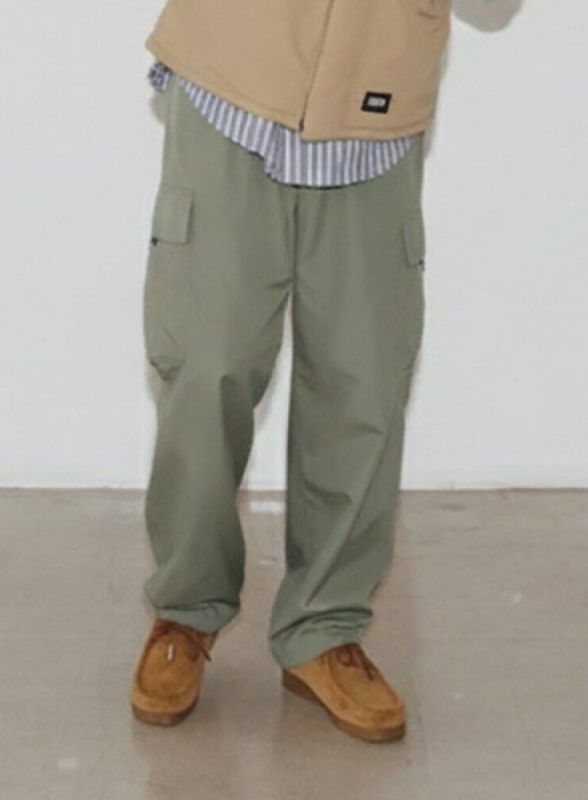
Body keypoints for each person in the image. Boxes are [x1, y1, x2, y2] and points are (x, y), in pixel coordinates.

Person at [131, 0, 452, 743]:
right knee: (206, 365)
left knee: (363, 381)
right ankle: (186, 610)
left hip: (377, 104)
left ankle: (325, 629)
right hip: (232, 79)